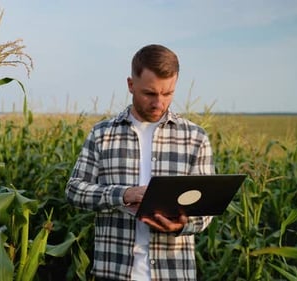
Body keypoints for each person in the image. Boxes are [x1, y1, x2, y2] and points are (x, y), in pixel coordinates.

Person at [65, 44, 215, 281]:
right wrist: (124, 194)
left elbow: (206, 210)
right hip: (113, 271)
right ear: (131, 85)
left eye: (168, 94)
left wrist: (182, 225)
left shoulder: (195, 137)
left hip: (173, 273)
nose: (159, 103)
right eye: (150, 93)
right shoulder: (102, 134)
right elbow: (74, 190)